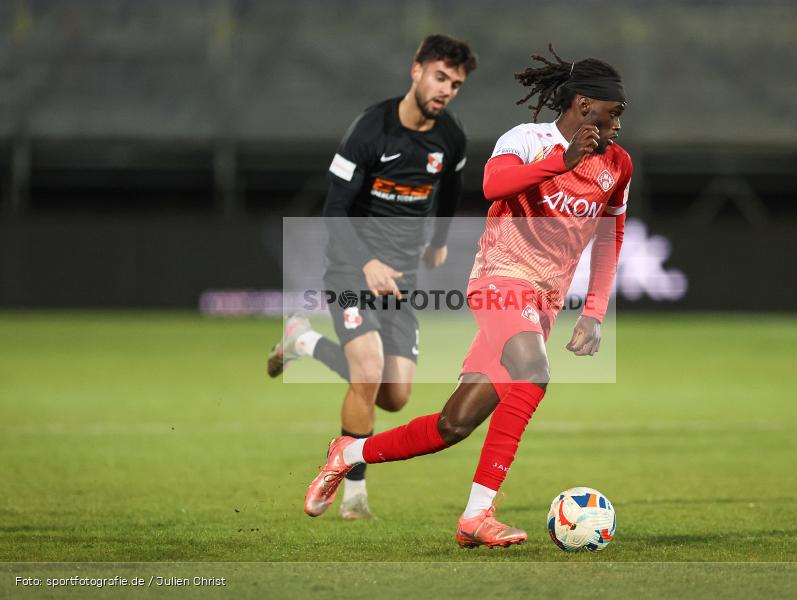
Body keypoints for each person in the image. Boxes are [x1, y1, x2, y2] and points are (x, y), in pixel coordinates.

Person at [302, 45, 632, 547]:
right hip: (500, 279)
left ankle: (347, 454)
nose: (618, 125)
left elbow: (611, 236)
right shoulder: (528, 140)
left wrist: (595, 310)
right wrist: (561, 161)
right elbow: (494, 184)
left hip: (543, 302)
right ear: (584, 105)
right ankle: (477, 516)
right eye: (614, 112)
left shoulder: (618, 165)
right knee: (533, 373)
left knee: (453, 425)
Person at [267, 34, 477, 520]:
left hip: (402, 278)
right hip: (351, 268)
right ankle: (353, 494)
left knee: (395, 397)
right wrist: (366, 262)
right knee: (366, 373)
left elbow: (451, 188)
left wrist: (440, 240)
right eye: (439, 77)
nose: (445, 90)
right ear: (416, 71)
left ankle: (304, 342)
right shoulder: (369, 130)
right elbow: (334, 210)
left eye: (455, 84)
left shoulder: (451, 137)